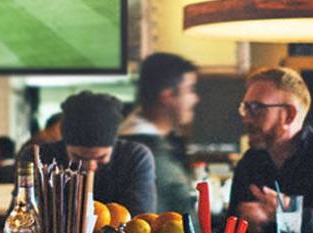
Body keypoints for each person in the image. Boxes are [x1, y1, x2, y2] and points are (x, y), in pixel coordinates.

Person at [228, 67, 313, 233]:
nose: (246, 118)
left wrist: (286, 213)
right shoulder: (249, 161)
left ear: (289, 115)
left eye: (256, 108)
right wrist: (241, 221)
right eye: (245, 108)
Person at [19, 91, 157, 215]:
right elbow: (23, 213)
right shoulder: (38, 157)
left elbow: (140, 219)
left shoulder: (135, 157)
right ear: (64, 144)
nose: (91, 166)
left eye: (101, 157)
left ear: (114, 145)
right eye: (79, 157)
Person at [119, 53, 199, 214]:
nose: (195, 99)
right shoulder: (146, 152)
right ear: (167, 96)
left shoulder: (152, 144)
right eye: (190, 90)